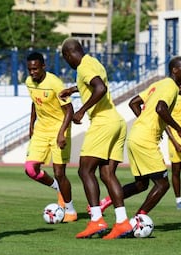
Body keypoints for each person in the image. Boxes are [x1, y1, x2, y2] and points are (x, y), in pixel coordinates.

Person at [90, 56, 181, 217]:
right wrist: (179, 130)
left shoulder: (159, 84)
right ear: (174, 70)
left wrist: (145, 121)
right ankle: (139, 218)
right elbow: (160, 108)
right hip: (145, 140)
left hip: (136, 135)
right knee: (163, 184)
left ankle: (106, 202)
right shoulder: (171, 87)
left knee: (141, 184)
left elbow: (133, 103)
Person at [59, 38, 132, 239]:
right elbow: (93, 84)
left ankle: (97, 220)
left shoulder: (83, 67)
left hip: (103, 122)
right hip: (117, 121)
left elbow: (100, 88)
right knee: (108, 175)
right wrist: (73, 90)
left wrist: (81, 111)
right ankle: (122, 222)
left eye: (65, 58)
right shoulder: (93, 62)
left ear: (68, 55)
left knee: (85, 170)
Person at [24, 51, 77, 222]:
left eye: (36, 69)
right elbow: (34, 102)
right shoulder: (29, 82)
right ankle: (58, 189)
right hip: (41, 130)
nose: (32, 73)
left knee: (59, 172)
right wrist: (31, 124)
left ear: (43, 67)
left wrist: (62, 132)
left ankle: (70, 210)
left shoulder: (55, 83)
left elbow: (70, 110)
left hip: (59, 129)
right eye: (30, 69)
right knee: (30, 170)